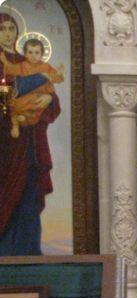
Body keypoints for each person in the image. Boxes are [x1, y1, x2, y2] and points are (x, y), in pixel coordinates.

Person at [0, 13, 61, 256]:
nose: (7, 33)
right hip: (4, 144)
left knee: (28, 195)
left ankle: (27, 254)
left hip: (29, 144)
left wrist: (48, 98)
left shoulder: (27, 60)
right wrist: (37, 79)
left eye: (11, 28)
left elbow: (52, 98)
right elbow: (7, 93)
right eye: (2, 29)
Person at [0, 38, 64, 139]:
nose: (33, 56)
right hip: (25, 96)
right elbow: (10, 69)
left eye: (37, 52)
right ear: (25, 54)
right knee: (16, 105)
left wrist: (58, 74)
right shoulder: (22, 66)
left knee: (36, 108)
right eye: (30, 52)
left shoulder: (46, 67)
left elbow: (55, 78)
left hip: (40, 94)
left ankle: (25, 119)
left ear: (42, 54)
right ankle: (16, 124)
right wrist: (5, 61)